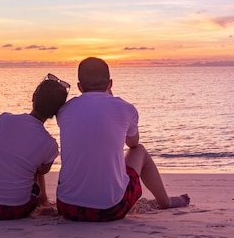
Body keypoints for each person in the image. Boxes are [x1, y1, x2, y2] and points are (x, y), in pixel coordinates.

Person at [56, 57, 190, 222]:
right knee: (139, 150)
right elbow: (132, 143)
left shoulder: (64, 110)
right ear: (110, 84)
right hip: (112, 209)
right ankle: (166, 202)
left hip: (67, 207)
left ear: (79, 87)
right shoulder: (125, 108)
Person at [0, 73, 69, 220]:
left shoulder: (4, 120)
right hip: (16, 209)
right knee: (35, 163)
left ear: (33, 97)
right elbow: (42, 171)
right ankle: (43, 201)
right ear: (56, 113)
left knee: (18, 156)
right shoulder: (49, 143)